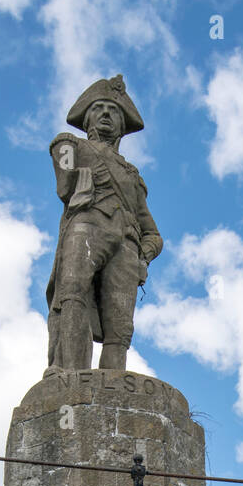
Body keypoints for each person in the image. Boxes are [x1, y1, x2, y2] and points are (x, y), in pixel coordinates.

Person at [45, 74, 163, 372]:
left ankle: (113, 387)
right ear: (87, 119)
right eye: (99, 108)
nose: (107, 115)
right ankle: (69, 375)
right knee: (72, 294)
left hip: (126, 243)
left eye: (114, 111)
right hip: (86, 226)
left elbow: (153, 233)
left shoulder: (132, 175)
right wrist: (64, 150)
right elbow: (65, 185)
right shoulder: (72, 146)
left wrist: (144, 258)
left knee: (120, 327)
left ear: (122, 125)